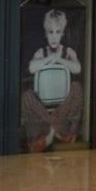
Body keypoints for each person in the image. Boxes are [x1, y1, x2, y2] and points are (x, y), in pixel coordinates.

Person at [22, 9, 83, 152]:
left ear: (63, 33)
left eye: (58, 32)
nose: (54, 37)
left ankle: (51, 132)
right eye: (50, 32)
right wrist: (49, 59)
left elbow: (78, 68)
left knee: (77, 87)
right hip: (42, 105)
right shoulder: (40, 52)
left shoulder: (68, 52)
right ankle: (56, 131)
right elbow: (31, 68)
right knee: (26, 96)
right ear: (45, 34)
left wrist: (60, 59)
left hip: (63, 105)